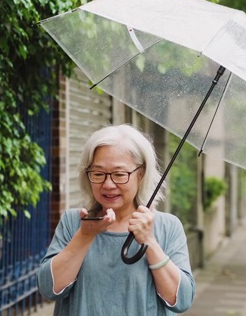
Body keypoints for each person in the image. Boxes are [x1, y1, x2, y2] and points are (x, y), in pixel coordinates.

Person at [37, 124, 195, 315]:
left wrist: (150, 242)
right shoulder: (74, 223)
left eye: (120, 174)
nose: (108, 184)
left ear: (141, 173)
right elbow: (48, 289)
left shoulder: (167, 227)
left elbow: (181, 300)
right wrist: (85, 235)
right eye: (98, 174)